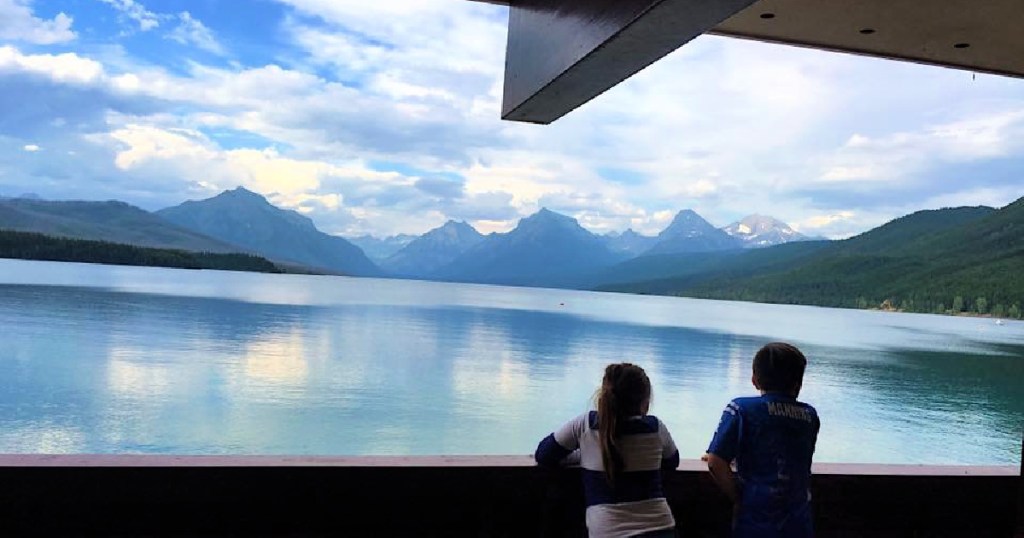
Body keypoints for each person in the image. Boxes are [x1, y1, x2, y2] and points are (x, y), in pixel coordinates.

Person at [535, 363, 680, 538]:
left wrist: (584, 456)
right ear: (645, 403)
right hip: (661, 529)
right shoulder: (655, 428)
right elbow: (672, 461)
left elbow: (544, 455)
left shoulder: (585, 425)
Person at [704, 342, 820, 538]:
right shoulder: (810, 416)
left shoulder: (740, 409)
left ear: (754, 380)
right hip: (798, 523)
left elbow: (716, 461)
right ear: (798, 384)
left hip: (755, 522)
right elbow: (786, 451)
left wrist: (738, 498)